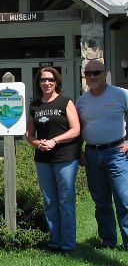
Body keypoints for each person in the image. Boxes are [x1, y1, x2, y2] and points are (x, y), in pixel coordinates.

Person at [25, 67, 81, 252]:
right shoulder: (34, 106)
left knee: (65, 200)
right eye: (43, 80)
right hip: (43, 159)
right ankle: (55, 241)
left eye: (50, 79)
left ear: (56, 82)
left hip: (65, 157)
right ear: (38, 83)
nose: (46, 83)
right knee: (49, 201)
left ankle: (68, 243)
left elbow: (75, 130)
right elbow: (29, 134)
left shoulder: (65, 102)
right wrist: (36, 143)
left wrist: (54, 141)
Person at [76, 60, 128, 250]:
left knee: (124, 199)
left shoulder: (121, 94)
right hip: (92, 155)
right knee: (101, 202)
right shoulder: (81, 101)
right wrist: (78, 150)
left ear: (104, 73)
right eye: (88, 73)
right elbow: (78, 128)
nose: (92, 77)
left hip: (117, 153)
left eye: (96, 73)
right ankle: (108, 242)